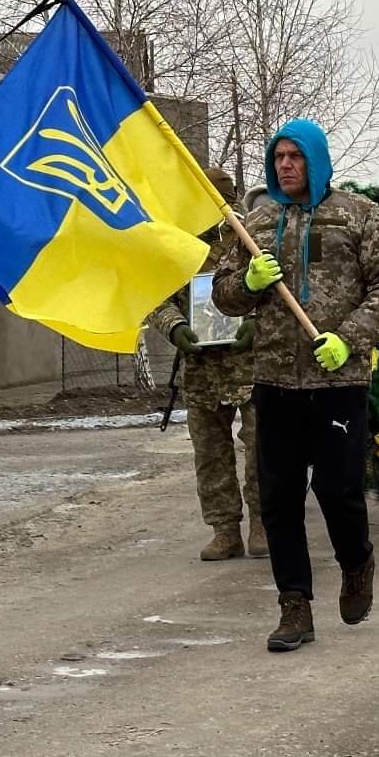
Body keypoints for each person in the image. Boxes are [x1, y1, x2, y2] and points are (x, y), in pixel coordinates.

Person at [212, 119, 379, 653]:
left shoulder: (357, 216)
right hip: (274, 379)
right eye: (278, 156)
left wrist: (350, 338)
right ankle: (293, 604)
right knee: (278, 498)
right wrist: (246, 283)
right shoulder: (257, 221)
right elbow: (224, 295)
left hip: (337, 378)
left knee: (338, 490)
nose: (285, 165)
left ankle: (356, 560)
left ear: (316, 160)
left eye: (295, 156)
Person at [148, 168, 266, 562]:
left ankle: (264, 525)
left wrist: (254, 321)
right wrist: (175, 327)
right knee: (210, 454)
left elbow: (278, 288)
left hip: (251, 366)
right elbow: (158, 298)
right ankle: (224, 530)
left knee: (262, 450)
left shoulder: (253, 235)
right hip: (201, 369)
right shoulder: (177, 243)